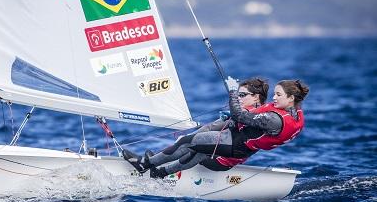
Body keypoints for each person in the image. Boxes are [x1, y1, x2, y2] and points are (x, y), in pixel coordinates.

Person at [123, 78, 309, 178]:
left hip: (235, 145)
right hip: (238, 143)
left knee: (188, 142)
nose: (274, 98)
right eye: (274, 94)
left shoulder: (275, 119)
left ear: (291, 98)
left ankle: (145, 165)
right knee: (197, 148)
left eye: (278, 95)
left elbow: (241, 116)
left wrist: (232, 94)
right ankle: (159, 172)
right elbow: (250, 122)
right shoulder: (296, 116)